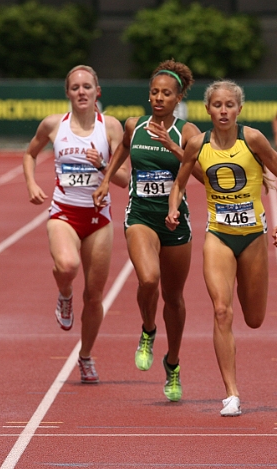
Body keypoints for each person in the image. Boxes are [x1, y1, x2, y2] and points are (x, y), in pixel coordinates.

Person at [166, 80, 277, 416]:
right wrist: (173, 207)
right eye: (217, 105)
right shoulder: (197, 143)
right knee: (222, 310)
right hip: (218, 235)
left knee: (253, 318)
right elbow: (180, 182)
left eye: (229, 106)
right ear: (207, 109)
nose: (223, 111)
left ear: (239, 109)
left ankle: (233, 387)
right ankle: (231, 394)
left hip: (252, 236)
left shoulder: (252, 139)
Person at [92, 60, 201, 402]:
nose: (158, 98)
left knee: (175, 298)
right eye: (154, 92)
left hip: (175, 221)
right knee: (148, 279)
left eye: (166, 94)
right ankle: (148, 331)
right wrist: (108, 179)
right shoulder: (135, 125)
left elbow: (201, 175)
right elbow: (122, 147)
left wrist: (173, 147)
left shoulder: (189, 132)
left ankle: (173, 363)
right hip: (140, 215)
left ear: (178, 97)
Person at [23, 65, 129, 384]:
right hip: (64, 213)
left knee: (95, 296)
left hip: (98, 220)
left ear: (98, 91)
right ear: (67, 93)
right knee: (67, 266)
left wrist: (104, 165)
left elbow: (125, 180)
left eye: (87, 86)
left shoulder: (110, 128)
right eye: (75, 87)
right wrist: (31, 184)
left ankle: (85, 356)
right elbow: (30, 154)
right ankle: (65, 293)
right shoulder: (54, 125)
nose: (81, 92)